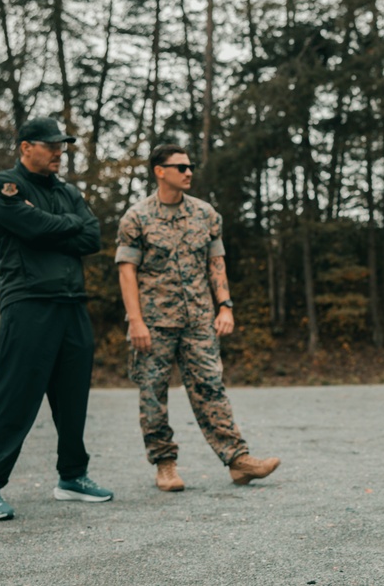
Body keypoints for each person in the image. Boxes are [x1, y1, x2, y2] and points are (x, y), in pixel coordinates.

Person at [0, 117, 113, 522]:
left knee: (73, 397)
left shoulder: (67, 191)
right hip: (28, 302)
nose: (59, 152)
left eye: (62, 145)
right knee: (15, 395)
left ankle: (72, 477)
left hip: (72, 304)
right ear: (26, 146)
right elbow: (29, 228)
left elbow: (93, 238)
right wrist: (65, 226)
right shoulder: (3, 186)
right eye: (51, 146)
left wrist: (53, 227)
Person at [116, 144, 280, 492]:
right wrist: (135, 321)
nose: (189, 172)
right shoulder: (137, 217)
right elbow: (127, 271)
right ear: (160, 171)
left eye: (190, 166)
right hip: (154, 322)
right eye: (180, 167)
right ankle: (165, 465)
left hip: (198, 320)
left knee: (211, 388)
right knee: (153, 394)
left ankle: (238, 459)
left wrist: (225, 305)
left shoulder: (206, 215)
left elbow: (215, 263)